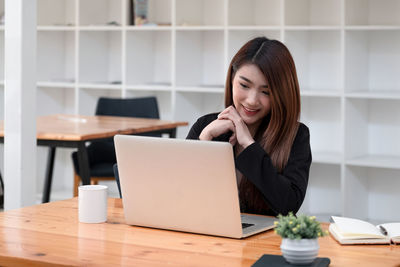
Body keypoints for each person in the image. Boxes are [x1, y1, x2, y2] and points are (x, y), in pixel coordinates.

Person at [186, 37, 311, 216]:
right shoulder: (206, 126)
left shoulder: (296, 135)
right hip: (210, 237)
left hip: (266, 242)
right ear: (231, 79)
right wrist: (204, 140)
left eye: (266, 92)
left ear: (282, 94)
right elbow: (183, 195)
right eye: (244, 85)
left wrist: (249, 145)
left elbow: (288, 206)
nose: (252, 100)